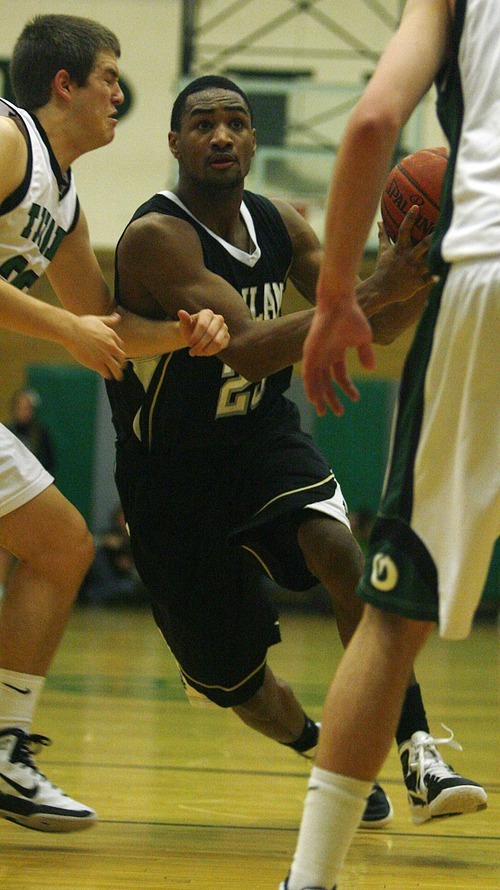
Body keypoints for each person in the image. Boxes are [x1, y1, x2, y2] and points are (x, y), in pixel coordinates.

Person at [105, 73, 484, 836]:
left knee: (344, 556)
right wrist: (375, 290)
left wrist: (422, 268)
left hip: (260, 442)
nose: (221, 135)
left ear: (252, 141)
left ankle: (418, 754)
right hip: (172, 479)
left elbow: (378, 330)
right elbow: (246, 351)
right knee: (236, 684)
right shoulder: (156, 238)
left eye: (236, 123)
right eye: (203, 124)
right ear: (174, 142)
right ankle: (319, 749)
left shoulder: (280, 223)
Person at [284, 0, 498, 886]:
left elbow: (376, 119)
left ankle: (311, 879)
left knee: (392, 614)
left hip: (488, 269)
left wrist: (337, 295)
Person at [0, 15, 228, 834]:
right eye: (106, 76)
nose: (118, 93)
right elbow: (75, 330)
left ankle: (4, 748)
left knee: (61, 546)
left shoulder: (60, 198)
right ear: (62, 85)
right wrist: (63, 331)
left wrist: (186, 335)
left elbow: (104, 325)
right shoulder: (6, 140)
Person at [79, 505, 147, 606]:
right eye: (121, 518)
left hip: (125, 578)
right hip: (109, 577)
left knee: (127, 587)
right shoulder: (110, 534)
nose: (122, 521)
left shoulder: (133, 539)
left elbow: (128, 565)